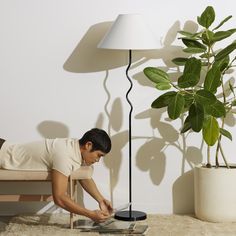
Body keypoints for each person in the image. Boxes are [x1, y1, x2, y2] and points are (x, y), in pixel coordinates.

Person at [0, 128, 113, 222]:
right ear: (88, 145)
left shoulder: (74, 146)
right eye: (99, 155)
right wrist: (90, 214)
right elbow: (59, 198)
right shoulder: (65, 155)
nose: (98, 160)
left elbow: (83, 177)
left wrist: (101, 200)